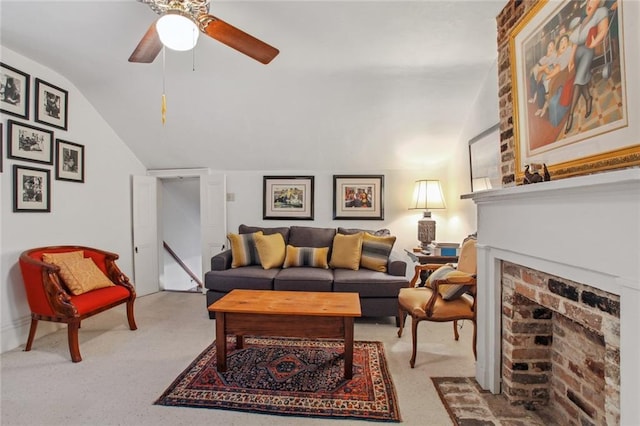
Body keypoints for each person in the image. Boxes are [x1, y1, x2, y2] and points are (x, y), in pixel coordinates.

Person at [565, 0, 610, 133]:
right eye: (589, 0)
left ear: (599, 2)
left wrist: (593, 43)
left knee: (578, 81)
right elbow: (574, 42)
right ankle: (588, 98)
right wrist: (571, 59)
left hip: (589, 50)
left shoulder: (601, 12)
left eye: (594, 0)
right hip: (579, 52)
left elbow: (603, 30)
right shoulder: (584, 20)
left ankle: (570, 116)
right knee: (581, 78)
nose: (590, 3)